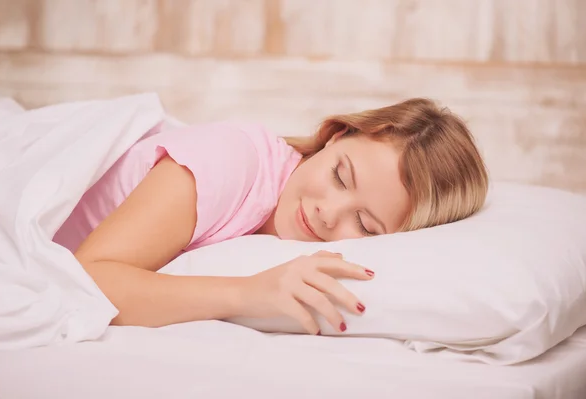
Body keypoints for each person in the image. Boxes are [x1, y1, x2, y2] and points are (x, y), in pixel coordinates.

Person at [53, 97, 489, 335]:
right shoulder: (231, 160)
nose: (326, 213)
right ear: (335, 136)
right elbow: (89, 278)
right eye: (340, 175)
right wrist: (246, 294)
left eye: (365, 224)